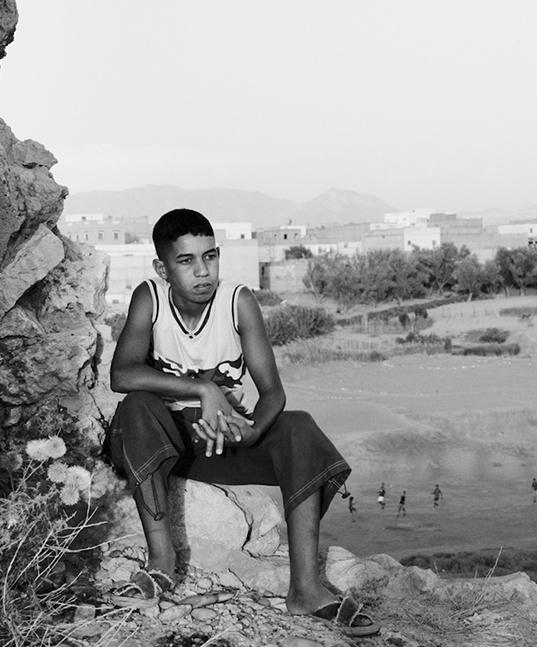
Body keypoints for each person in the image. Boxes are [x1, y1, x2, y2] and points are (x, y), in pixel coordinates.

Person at [108, 209, 376, 637]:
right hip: (157, 445)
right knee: (138, 404)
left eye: (210, 257)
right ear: (162, 268)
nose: (203, 271)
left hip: (219, 442)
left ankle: (304, 588)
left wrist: (252, 431)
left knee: (299, 426)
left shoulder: (238, 301)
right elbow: (121, 375)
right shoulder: (150, 298)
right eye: (186, 261)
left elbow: (273, 393)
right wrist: (203, 389)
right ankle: (161, 564)